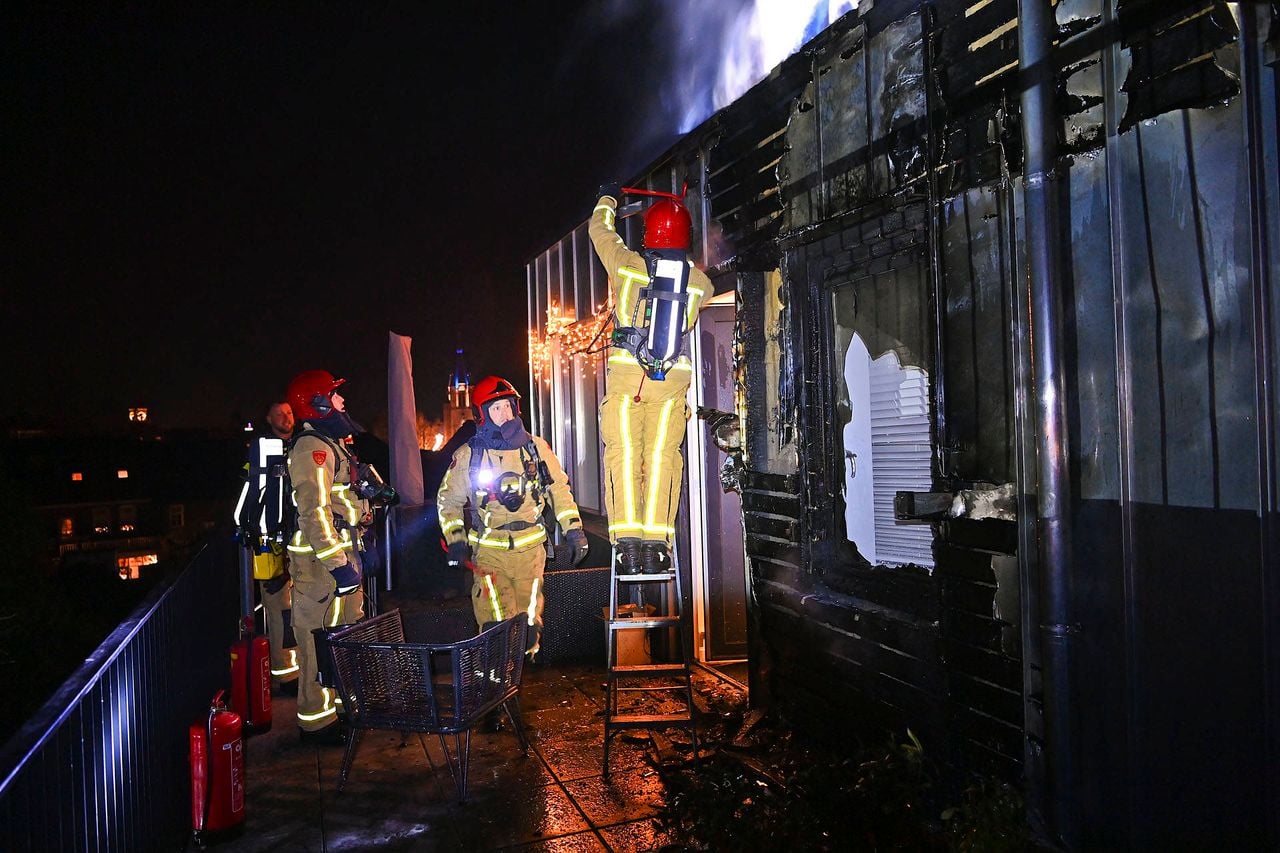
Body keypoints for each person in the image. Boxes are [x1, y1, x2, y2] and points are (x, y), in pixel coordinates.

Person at [588, 183, 712, 573]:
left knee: (623, 455)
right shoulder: (699, 284)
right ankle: (658, 543)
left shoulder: (627, 267)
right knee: (662, 459)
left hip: (627, 382)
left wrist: (608, 200)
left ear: (648, 236)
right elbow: (703, 295)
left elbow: (599, 231)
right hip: (672, 384)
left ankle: (627, 543)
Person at [436, 376, 588, 659]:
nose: (505, 414)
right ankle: (493, 688)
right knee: (496, 623)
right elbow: (449, 500)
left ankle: (518, 681)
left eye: (508, 406)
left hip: (531, 554)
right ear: (482, 414)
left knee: (529, 625)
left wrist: (573, 529)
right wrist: (455, 540)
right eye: (496, 409)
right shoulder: (470, 455)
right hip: (490, 555)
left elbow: (558, 488)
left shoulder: (535, 448)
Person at [283, 370, 370, 745]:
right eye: (334, 396)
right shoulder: (312, 449)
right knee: (317, 639)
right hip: (321, 566)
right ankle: (316, 724)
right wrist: (338, 564)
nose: (342, 402)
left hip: (340, 558)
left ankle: (339, 707)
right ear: (317, 404)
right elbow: (314, 512)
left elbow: (337, 500)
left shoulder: (332, 444)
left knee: (342, 633)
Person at [235, 401, 300, 695]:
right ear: (268, 418)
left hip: (296, 541)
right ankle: (285, 674)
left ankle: (297, 668)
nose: (286, 418)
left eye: (289, 413)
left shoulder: (301, 444)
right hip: (270, 544)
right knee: (280, 611)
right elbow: (254, 493)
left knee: (296, 609)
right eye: (279, 414)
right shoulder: (264, 450)